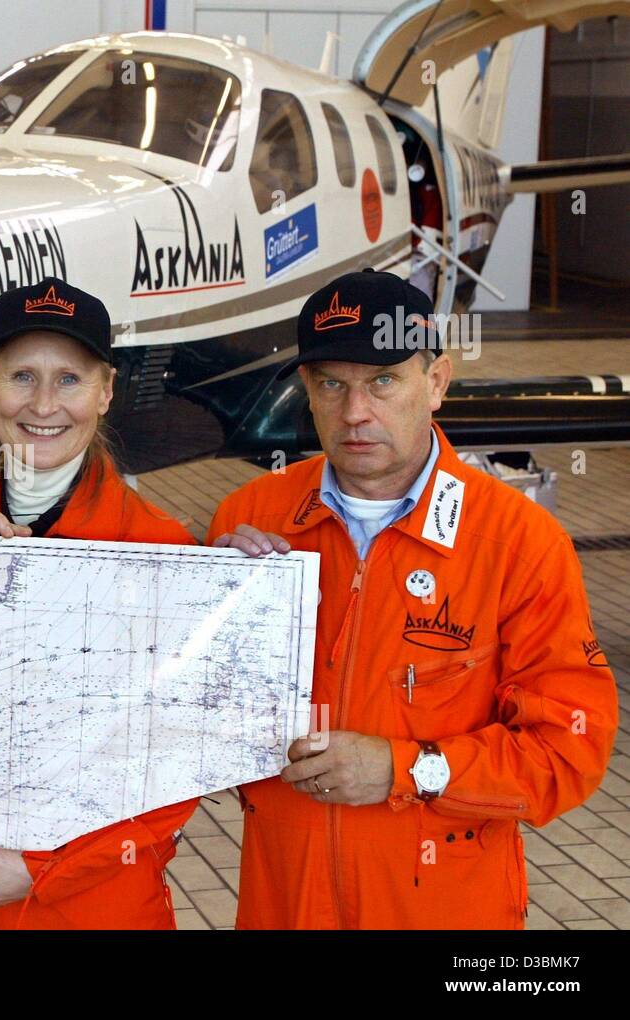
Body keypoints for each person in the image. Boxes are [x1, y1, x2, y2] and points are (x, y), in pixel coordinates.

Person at [206, 268, 618, 929]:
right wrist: (207, 617)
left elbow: (568, 753)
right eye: (331, 384)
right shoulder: (254, 515)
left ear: (436, 383)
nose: (355, 412)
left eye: (383, 381)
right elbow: (192, 723)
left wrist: (411, 769)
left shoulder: (518, 541)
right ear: (306, 392)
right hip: (283, 905)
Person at [0, 277, 205, 929]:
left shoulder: (158, 548)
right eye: (22, 376)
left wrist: (50, 864)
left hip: (92, 905)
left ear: (106, 390)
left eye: (70, 380)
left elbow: (184, 757)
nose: (44, 404)